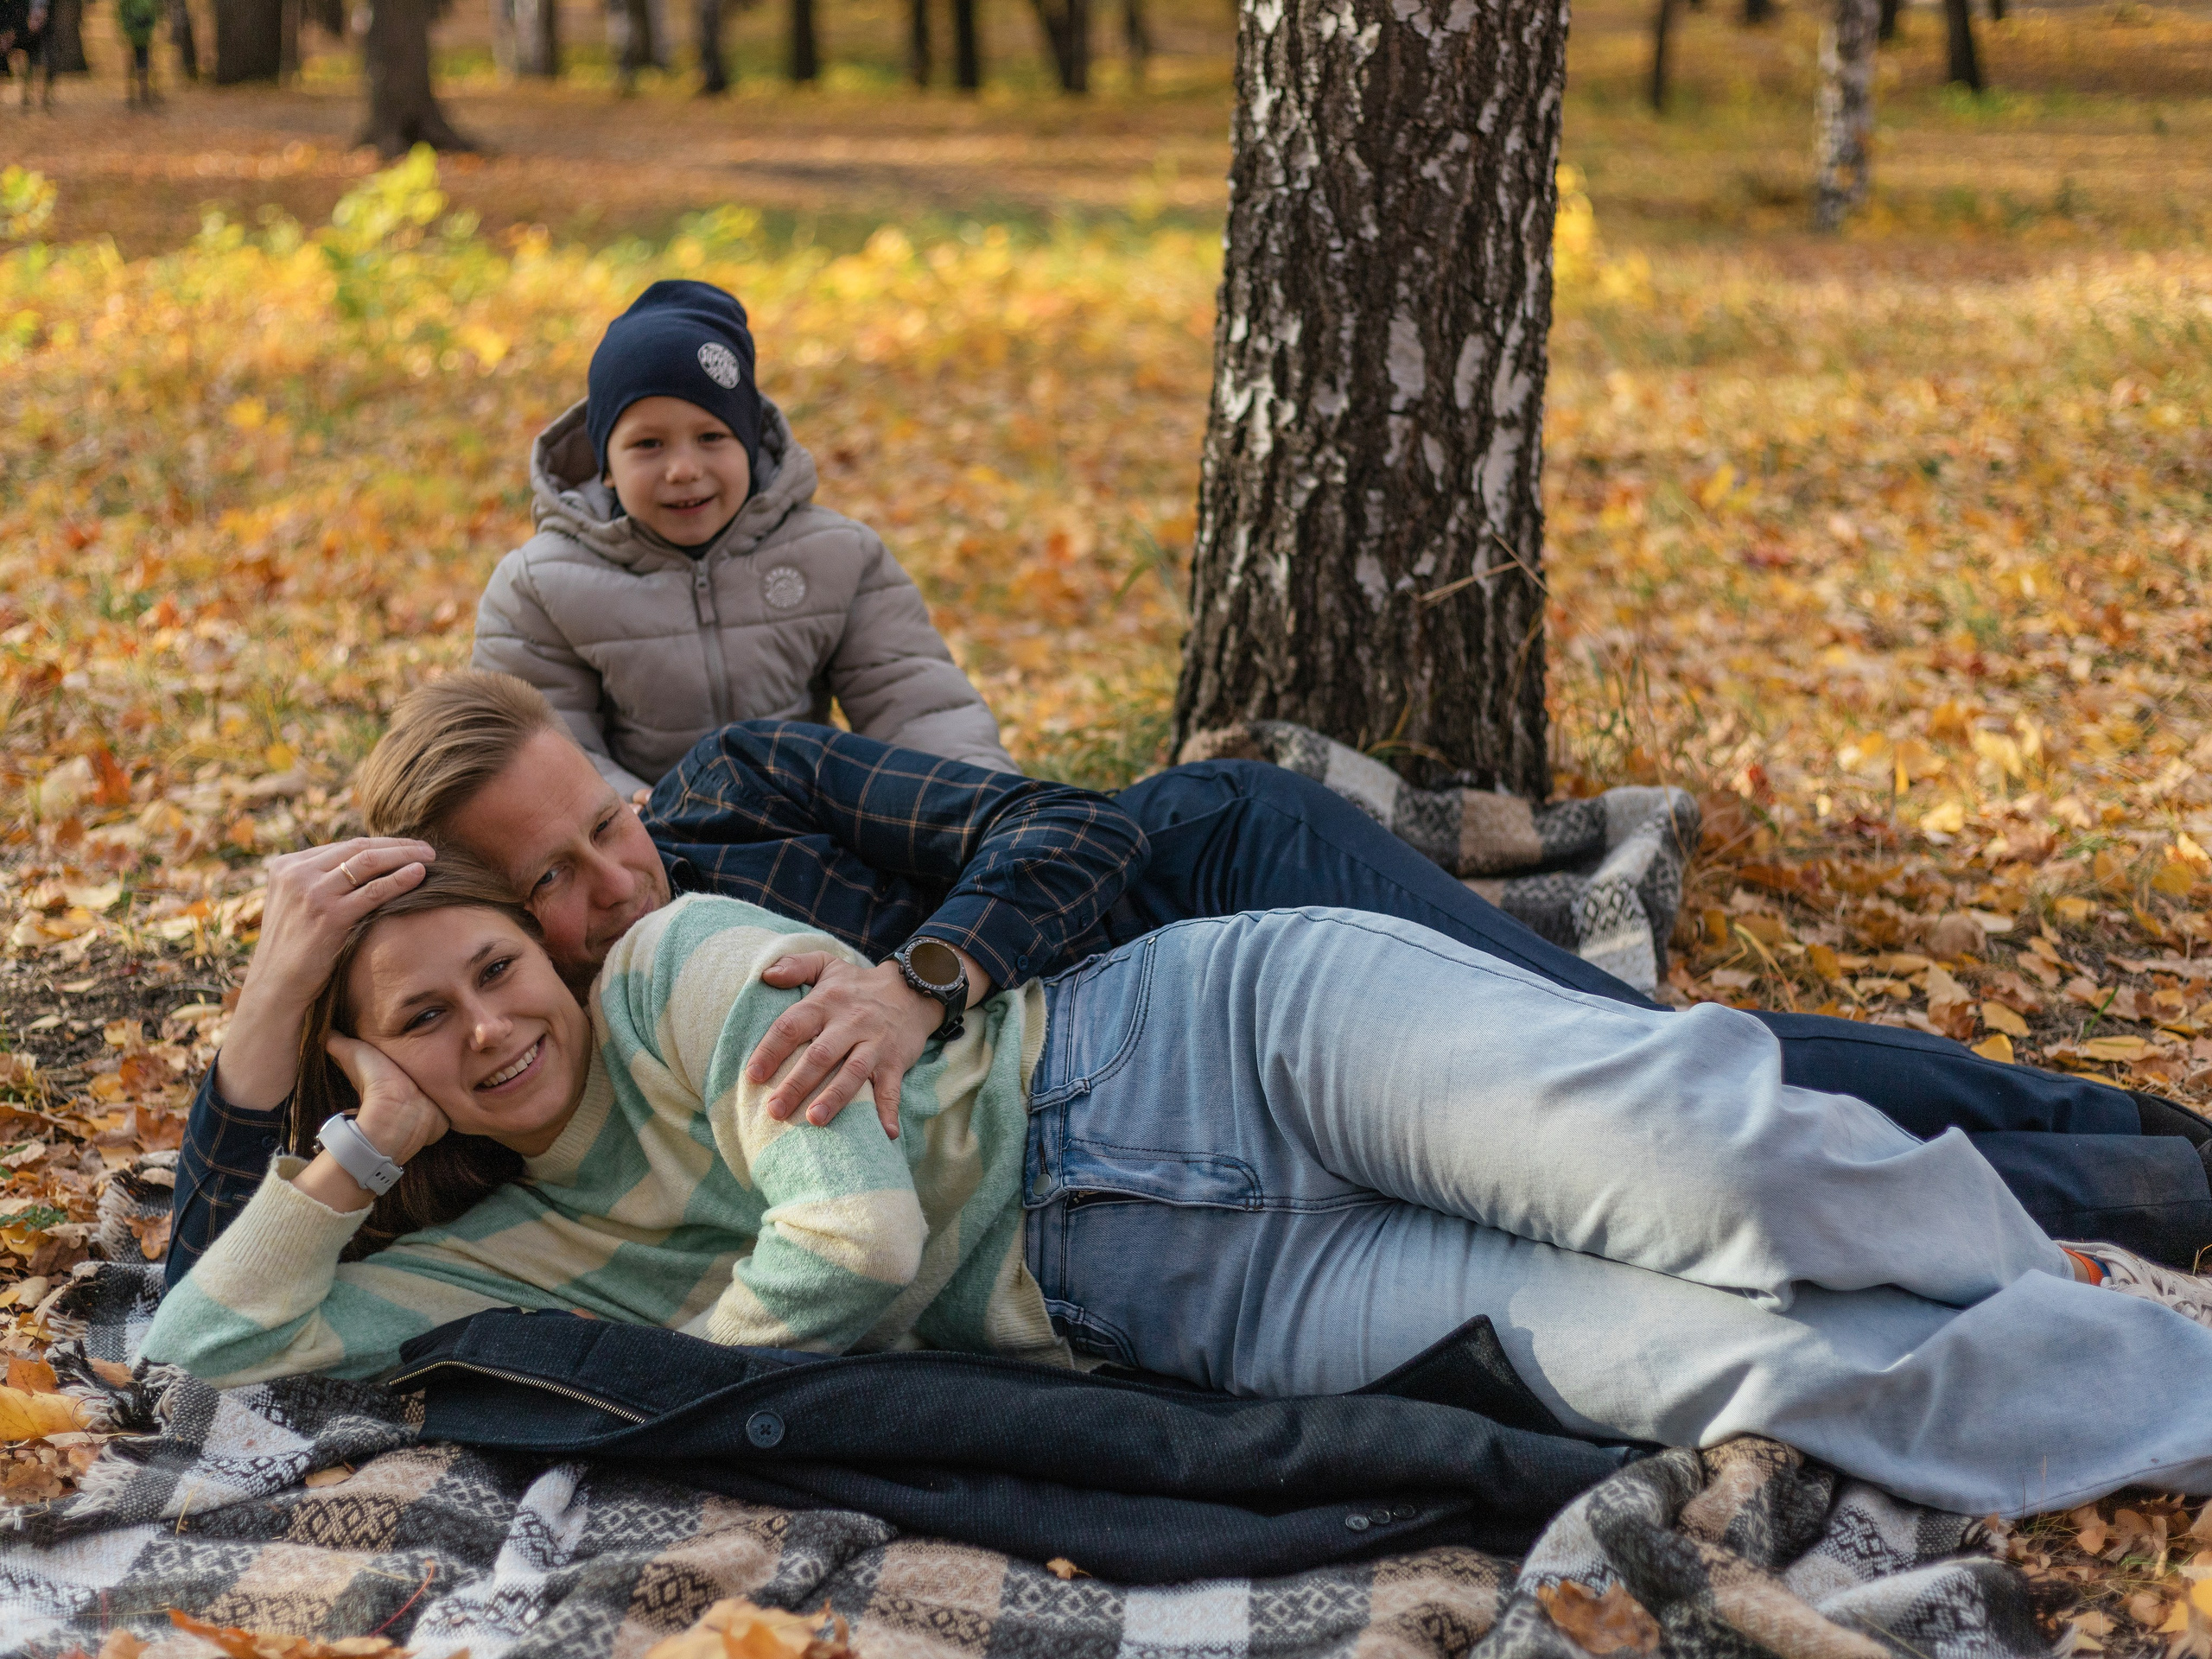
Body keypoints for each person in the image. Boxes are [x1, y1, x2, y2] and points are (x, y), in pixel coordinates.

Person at [144, 859, 2212, 1522]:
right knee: (1726, 1367)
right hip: (1187, 1299)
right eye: (420, 1024)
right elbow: (195, 1358)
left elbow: (855, 1239)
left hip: (1225, 1040)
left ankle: (2028, 1238)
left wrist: (683, 1357)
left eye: (493, 966)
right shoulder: (501, 1236)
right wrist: (299, 1097)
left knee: (1720, 1163)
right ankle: (2164, 1391)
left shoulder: (682, 958)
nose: (489, 1025)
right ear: (375, 1072)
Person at [168, 674, 2212, 1285]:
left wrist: (926, 980)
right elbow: (219, 1272)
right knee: (1665, 1114)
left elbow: (1083, 824)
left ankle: (2139, 1151)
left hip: (1229, 894)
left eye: (610, 816)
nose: (625, 874)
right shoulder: (511, 1026)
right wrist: (265, 1009)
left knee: (1658, 1070)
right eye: (561, 877)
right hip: (1177, 1113)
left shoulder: (737, 789)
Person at [470, 279, 1016, 801]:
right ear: (604, 464)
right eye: (648, 444)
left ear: (751, 446)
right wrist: (619, 807)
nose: (684, 469)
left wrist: (986, 805)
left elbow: (919, 707)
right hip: (641, 843)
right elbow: (539, 742)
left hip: (807, 827)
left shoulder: (836, 557)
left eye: (712, 437)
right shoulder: (542, 586)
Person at [118, 0, 160, 106]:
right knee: (140, 64)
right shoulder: (127, 3)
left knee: (142, 64)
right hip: (137, 36)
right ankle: (138, 93)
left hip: (142, 35)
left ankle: (143, 92)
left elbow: (153, 15)